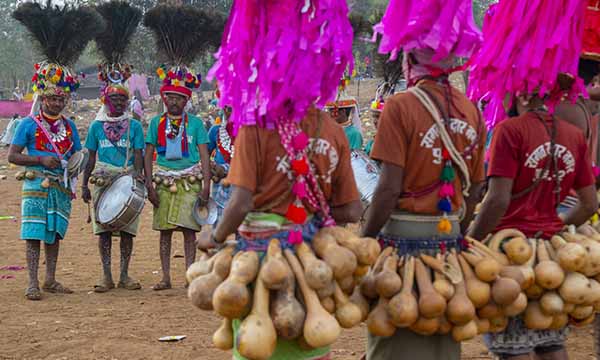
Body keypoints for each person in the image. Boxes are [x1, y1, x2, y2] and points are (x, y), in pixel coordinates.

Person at [467, 0, 598, 359]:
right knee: (552, 344)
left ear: (521, 89)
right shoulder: (574, 133)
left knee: (514, 347)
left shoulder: (510, 131)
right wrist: (554, 228)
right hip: (554, 256)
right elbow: (589, 204)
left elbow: (496, 199)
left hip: (513, 253)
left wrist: (471, 241)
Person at [362, 0, 485, 357]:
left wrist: (365, 239)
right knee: (442, 348)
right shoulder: (472, 109)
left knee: (394, 347)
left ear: (410, 57)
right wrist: (455, 225)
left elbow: (387, 190)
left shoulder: (399, 106)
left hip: (401, 247)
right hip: (448, 247)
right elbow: (477, 188)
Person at [7, 1, 100, 301]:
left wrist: (77, 165)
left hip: (60, 186)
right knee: (34, 233)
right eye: (51, 99)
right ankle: (32, 282)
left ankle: (50, 279)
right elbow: (12, 156)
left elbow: (78, 154)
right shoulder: (27, 124)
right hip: (35, 183)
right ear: (42, 98)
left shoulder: (70, 126)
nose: (56, 103)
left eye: (61, 100)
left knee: (55, 232)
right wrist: (39, 158)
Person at [143, 4, 214, 290]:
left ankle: (189, 274)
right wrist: (149, 183)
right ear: (164, 98)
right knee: (164, 231)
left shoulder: (197, 123)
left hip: (190, 178)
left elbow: (205, 155)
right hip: (163, 179)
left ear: (186, 101)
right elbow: (148, 153)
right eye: (169, 97)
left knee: (188, 230)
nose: (174, 102)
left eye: (179, 98)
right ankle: (165, 276)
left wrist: (206, 185)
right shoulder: (154, 123)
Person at [82, 2, 144, 293]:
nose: (118, 103)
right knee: (104, 230)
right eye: (114, 99)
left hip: (128, 178)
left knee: (128, 230)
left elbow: (141, 156)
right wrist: (84, 184)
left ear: (127, 101)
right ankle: (106, 275)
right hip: (101, 180)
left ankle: (125, 275)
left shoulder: (134, 126)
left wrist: (139, 177)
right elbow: (89, 157)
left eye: (123, 99)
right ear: (106, 99)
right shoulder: (96, 126)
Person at [207, 106, 234, 223]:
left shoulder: (250, 131)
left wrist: (226, 169)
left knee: (241, 228)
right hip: (220, 183)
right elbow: (204, 154)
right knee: (218, 227)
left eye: (234, 108)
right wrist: (213, 168)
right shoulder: (215, 131)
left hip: (243, 184)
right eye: (227, 108)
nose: (230, 112)